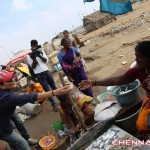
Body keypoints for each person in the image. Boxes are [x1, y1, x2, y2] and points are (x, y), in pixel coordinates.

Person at [79, 41, 150, 139]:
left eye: (140, 57)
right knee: (141, 125)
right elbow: (116, 80)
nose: (136, 60)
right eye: (136, 56)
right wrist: (94, 83)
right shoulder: (138, 70)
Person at [0, 70, 71, 150]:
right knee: (21, 143)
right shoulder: (6, 97)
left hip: (5, 115)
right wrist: (55, 92)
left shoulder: (6, 92)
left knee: (17, 124)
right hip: (2, 127)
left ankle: (24, 140)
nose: (13, 80)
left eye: (12, 78)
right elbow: (31, 97)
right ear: (1, 86)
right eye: (9, 80)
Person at [26, 39, 58, 111]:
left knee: (54, 86)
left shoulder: (41, 51)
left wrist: (39, 55)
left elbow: (46, 61)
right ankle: (54, 105)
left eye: (36, 45)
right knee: (47, 91)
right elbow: (33, 67)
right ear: (31, 46)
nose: (35, 46)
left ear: (37, 45)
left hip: (46, 71)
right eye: (33, 45)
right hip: (39, 75)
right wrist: (34, 58)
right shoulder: (29, 56)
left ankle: (62, 99)